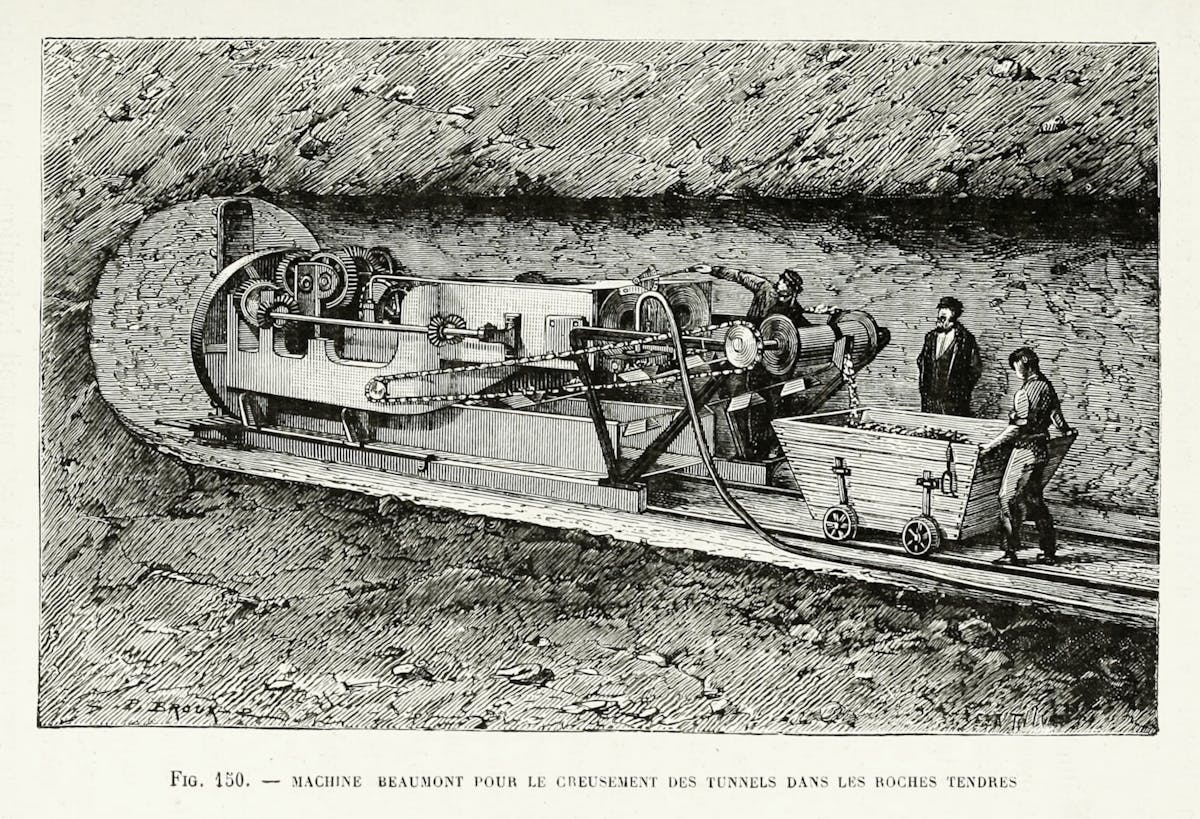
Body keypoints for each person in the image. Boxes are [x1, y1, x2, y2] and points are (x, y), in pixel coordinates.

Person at [980, 347, 1076, 566]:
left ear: (1024, 364)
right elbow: (1056, 417)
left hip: (1025, 451)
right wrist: (1067, 432)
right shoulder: (1047, 387)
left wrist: (989, 446)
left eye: (1016, 365)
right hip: (1042, 450)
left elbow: (1016, 429)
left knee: (1006, 497)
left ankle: (1009, 552)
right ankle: (1048, 551)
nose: (1015, 370)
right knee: (1034, 499)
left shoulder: (1024, 394)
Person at [916, 296, 983, 416]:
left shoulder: (966, 340)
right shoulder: (930, 337)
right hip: (930, 399)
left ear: (953, 316)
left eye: (943, 318)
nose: (940, 321)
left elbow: (975, 369)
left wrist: (960, 390)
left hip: (953, 401)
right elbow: (921, 361)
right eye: (939, 317)